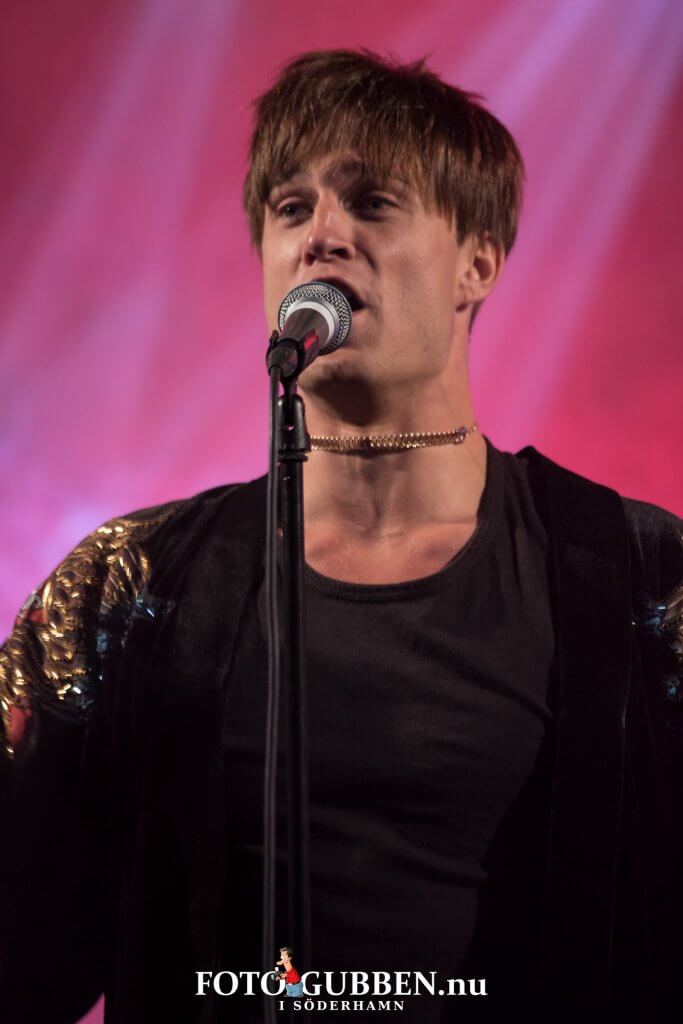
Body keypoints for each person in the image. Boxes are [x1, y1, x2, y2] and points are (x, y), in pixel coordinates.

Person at [0, 49, 681, 1024]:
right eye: (290, 208)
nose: (321, 235)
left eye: (371, 203)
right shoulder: (131, 584)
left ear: (477, 261)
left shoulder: (642, 581)